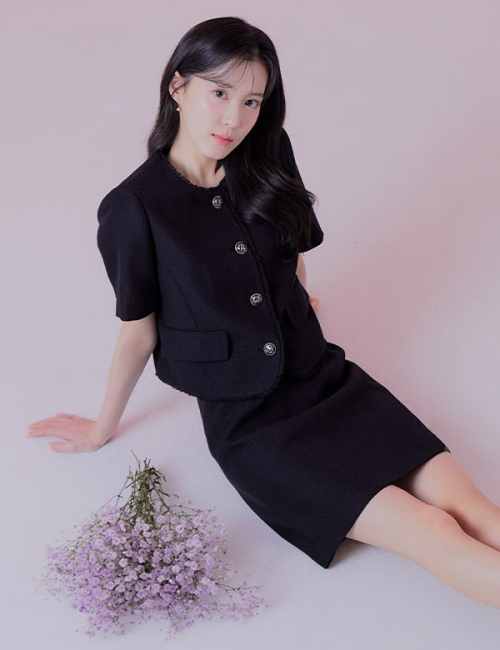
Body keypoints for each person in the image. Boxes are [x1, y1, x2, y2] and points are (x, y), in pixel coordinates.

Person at [26, 16, 500, 608]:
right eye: (219, 93)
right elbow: (137, 333)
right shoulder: (134, 207)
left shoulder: (268, 152)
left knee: (472, 509)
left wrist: (287, 300)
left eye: (251, 101)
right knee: (432, 529)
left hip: (325, 378)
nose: (234, 118)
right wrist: (102, 426)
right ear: (178, 87)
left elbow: (290, 247)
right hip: (253, 424)